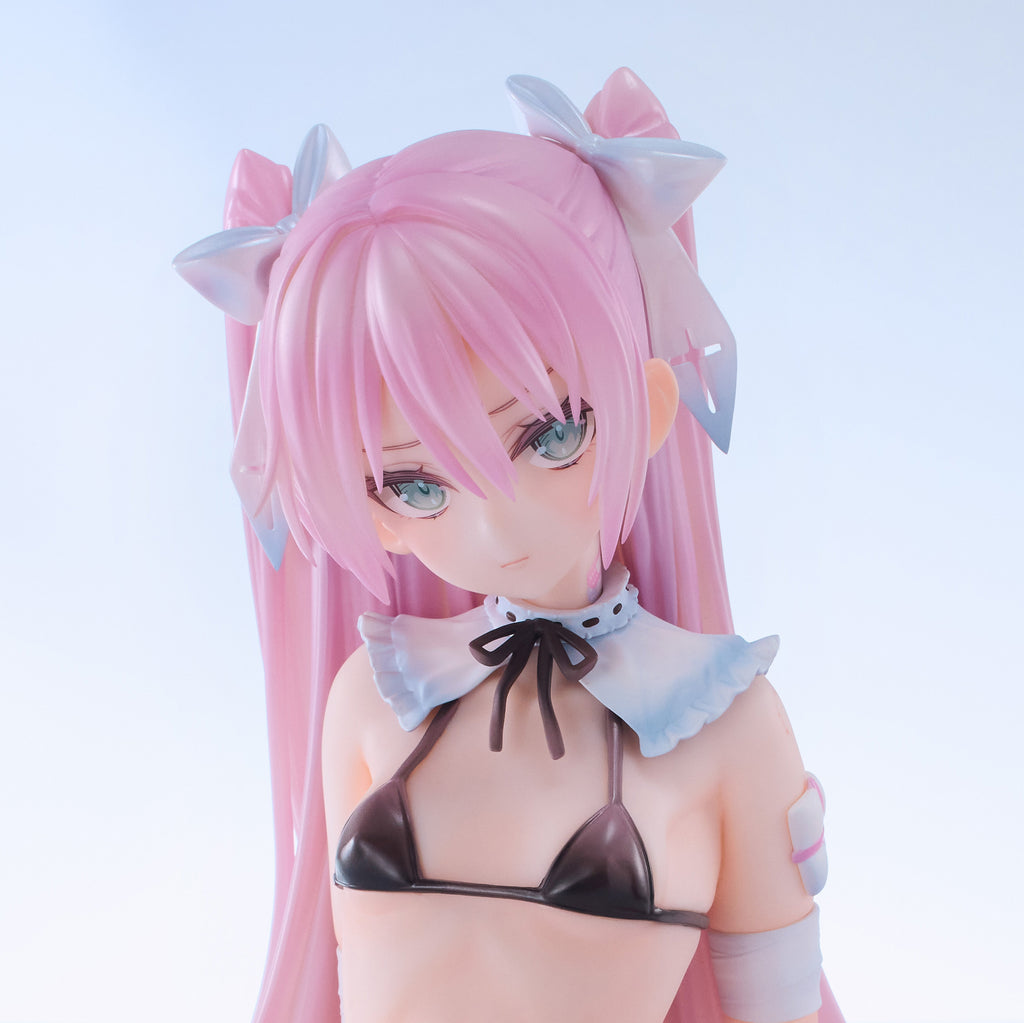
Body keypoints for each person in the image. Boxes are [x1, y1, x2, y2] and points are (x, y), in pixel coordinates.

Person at [175, 68, 843, 1023]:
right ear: (371, 507)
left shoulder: (724, 725)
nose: (494, 523)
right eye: (416, 484)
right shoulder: (373, 694)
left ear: (649, 407)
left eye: (552, 436)